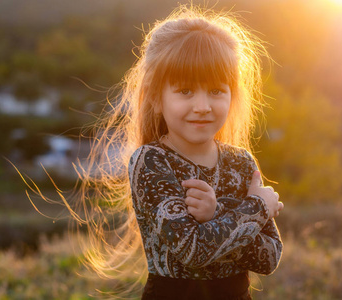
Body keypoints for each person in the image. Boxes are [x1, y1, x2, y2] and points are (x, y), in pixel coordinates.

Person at [61, 5, 283, 300]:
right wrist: (257, 207)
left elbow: (269, 259)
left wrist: (216, 213)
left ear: (233, 94)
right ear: (156, 97)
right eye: (186, 91)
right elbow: (193, 250)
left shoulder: (240, 162)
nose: (203, 105)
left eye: (217, 90)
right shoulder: (151, 161)